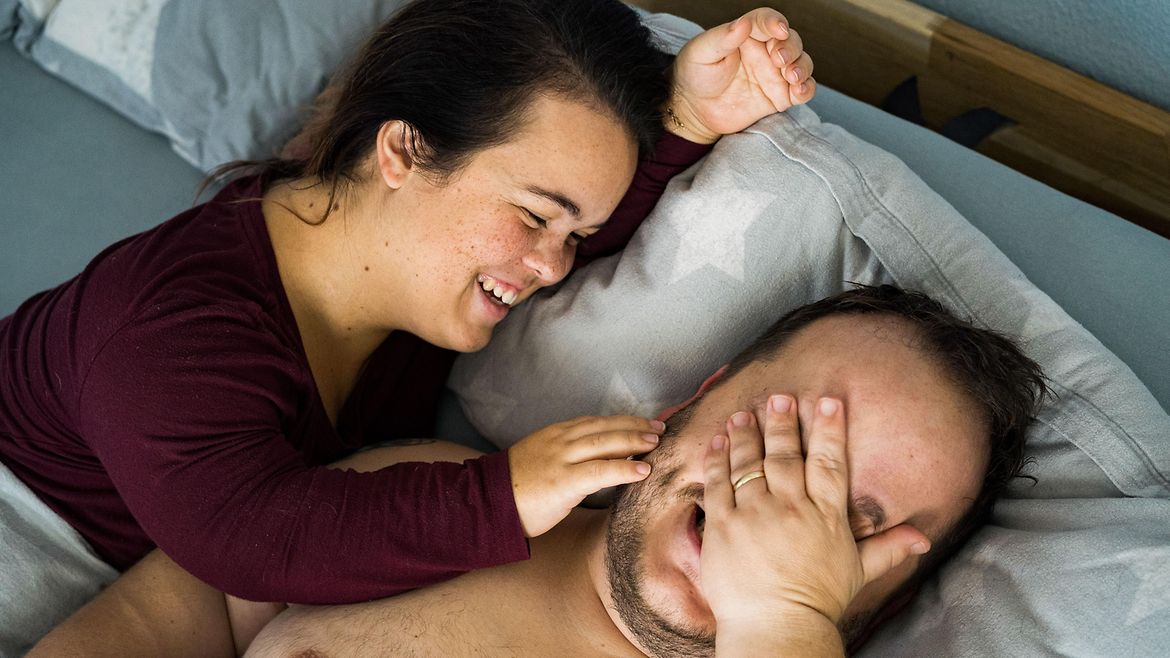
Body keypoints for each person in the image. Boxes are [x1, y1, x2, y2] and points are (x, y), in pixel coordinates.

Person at [0, 0, 819, 650]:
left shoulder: (387, 260)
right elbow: (243, 538)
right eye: (536, 218)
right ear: (404, 152)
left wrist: (689, 119)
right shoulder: (168, 333)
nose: (555, 264)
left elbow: (573, 212)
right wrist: (502, 496)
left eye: (570, 234)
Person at [32, 286, 1048, 656]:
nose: (770, 506)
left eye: (843, 514)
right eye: (773, 437)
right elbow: (193, 606)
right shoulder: (435, 490)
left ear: (874, 603)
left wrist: (781, 616)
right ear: (692, 399)